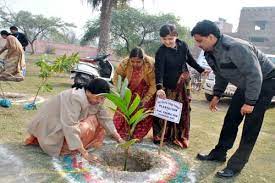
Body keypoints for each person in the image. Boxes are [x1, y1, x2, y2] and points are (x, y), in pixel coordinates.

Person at [191, 20, 275, 178]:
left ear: (210, 37)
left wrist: (250, 102)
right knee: (231, 119)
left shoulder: (236, 47)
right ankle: (219, 153)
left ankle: (236, 165)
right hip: (246, 83)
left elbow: (255, 75)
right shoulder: (210, 52)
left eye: (199, 41)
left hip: (265, 81)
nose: (198, 45)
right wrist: (217, 94)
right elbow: (222, 74)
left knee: (251, 125)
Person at [25, 78, 124, 162]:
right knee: (86, 127)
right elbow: (70, 126)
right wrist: (85, 154)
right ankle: (68, 148)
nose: (100, 101)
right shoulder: (75, 97)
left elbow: (105, 118)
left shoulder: (95, 99)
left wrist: (119, 138)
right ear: (88, 92)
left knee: (97, 121)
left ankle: (76, 146)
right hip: (50, 127)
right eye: (98, 98)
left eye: (103, 98)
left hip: (65, 124)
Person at [154, 24, 208, 148]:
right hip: (168, 86)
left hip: (183, 84)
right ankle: (162, 136)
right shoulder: (161, 52)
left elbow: (189, 59)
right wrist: (159, 88)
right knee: (165, 111)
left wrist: (201, 70)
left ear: (176, 36)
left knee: (183, 110)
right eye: (164, 39)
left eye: (170, 39)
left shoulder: (183, 45)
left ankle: (178, 137)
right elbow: (159, 71)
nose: (167, 41)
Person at [112, 47, 156, 140]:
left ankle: (136, 136)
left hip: (145, 94)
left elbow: (153, 85)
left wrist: (145, 100)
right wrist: (120, 92)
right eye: (133, 61)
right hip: (128, 92)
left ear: (143, 59)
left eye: (138, 62)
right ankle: (120, 134)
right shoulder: (124, 63)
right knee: (123, 112)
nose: (135, 64)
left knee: (141, 114)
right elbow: (116, 78)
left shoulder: (150, 64)